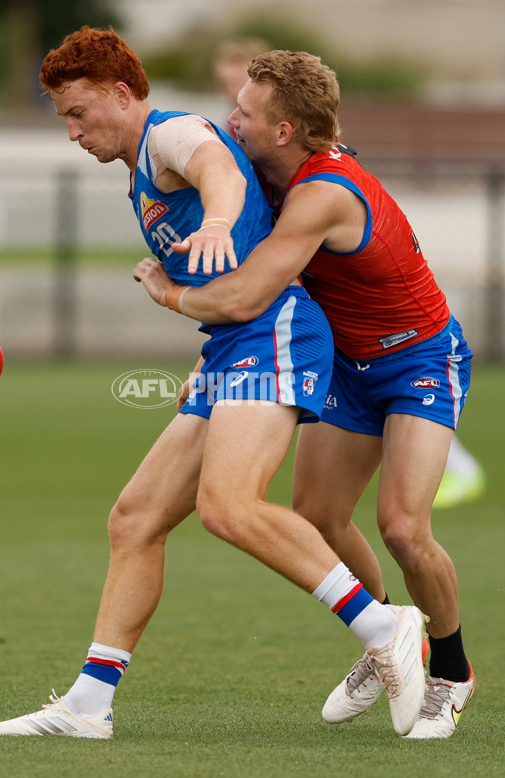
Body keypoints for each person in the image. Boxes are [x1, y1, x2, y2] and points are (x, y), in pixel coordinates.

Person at [0, 27, 427, 740]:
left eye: (78, 112)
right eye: (63, 117)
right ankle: (88, 707)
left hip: (274, 333)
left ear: (122, 94)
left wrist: (220, 219)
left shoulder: (170, 134)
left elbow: (216, 167)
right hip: (228, 347)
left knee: (229, 507)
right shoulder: (139, 169)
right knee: (135, 519)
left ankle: (387, 627)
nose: (71, 131)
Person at [133, 49, 476, 740]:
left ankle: (451, 668)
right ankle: (389, 646)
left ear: (286, 131)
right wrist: (215, 360)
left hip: (419, 358)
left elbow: (251, 293)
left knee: (405, 530)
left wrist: (169, 292)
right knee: (317, 514)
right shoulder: (270, 164)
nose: (232, 122)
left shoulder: (321, 193)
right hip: (348, 364)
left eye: (246, 114)